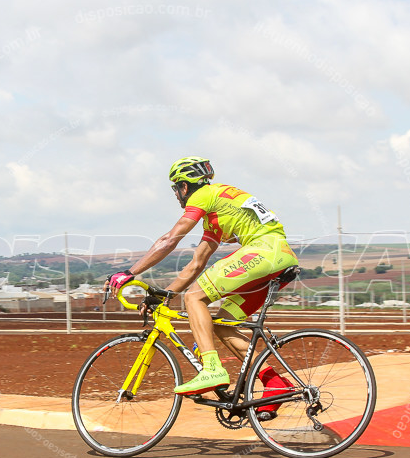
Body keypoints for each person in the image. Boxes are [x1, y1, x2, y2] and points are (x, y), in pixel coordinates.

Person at [107, 156, 300, 411]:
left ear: (185, 186)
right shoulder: (217, 210)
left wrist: (129, 272)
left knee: (194, 297)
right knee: (222, 327)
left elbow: (169, 240)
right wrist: (164, 296)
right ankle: (276, 383)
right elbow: (196, 264)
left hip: (263, 252)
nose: (176, 194)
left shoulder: (203, 195)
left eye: (176, 188)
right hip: (279, 258)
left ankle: (211, 369)